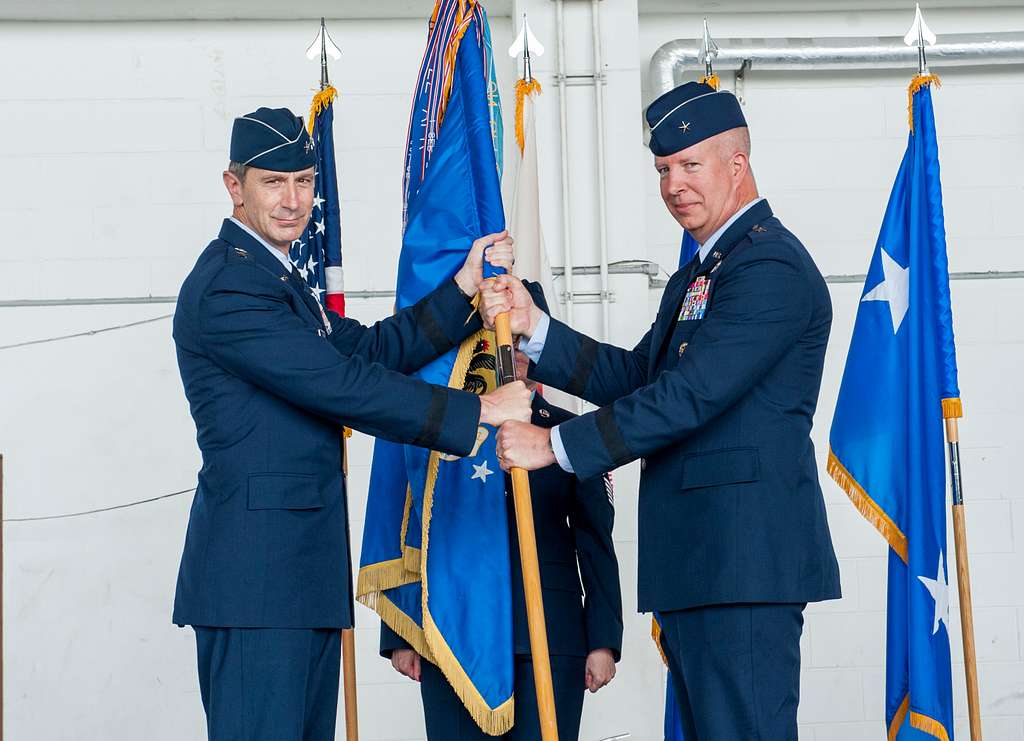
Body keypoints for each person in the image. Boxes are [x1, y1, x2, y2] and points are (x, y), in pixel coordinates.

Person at [488, 82, 841, 740]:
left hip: (744, 564)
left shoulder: (769, 266)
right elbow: (639, 376)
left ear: (737, 164)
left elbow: (690, 395)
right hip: (704, 562)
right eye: (662, 170)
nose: (673, 183)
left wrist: (554, 447)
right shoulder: (703, 272)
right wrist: (537, 327)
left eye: (689, 165)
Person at [171, 106, 530, 741]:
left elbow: (366, 351)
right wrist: (480, 410)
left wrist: (462, 288)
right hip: (257, 583)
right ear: (234, 186)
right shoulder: (231, 285)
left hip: (296, 577)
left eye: (304, 181)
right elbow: (340, 386)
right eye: (272, 182)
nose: (292, 201)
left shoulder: (276, 281)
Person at [382, 325, 623, 741]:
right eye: (498, 340)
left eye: (522, 341)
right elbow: (413, 522)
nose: (512, 352)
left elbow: (595, 541)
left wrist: (603, 640)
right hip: (452, 632)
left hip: (549, 633)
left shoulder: (571, 432)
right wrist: (402, 633)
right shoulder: (443, 429)